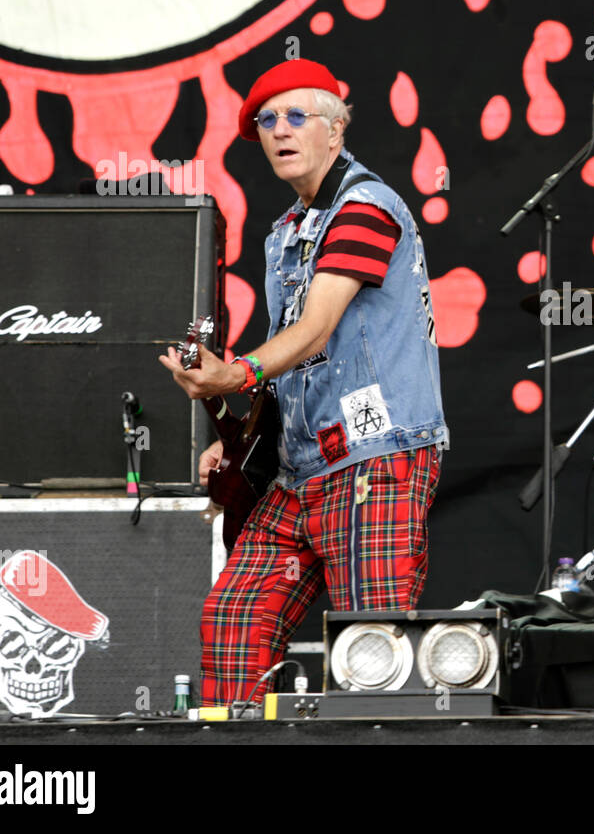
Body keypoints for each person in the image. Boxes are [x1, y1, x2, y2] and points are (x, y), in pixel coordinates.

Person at [160, 59, 448, 705]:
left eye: (297, 116)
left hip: (376, 459)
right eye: (267, 120)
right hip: (302, 467)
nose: (279, 130)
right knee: (234, 620)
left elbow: (315, 330)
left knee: (370, 645)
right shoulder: (287, 232)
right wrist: (243, 438)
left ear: (337, 129)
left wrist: (232, 373)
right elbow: (297, 355)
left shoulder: (367, 206)